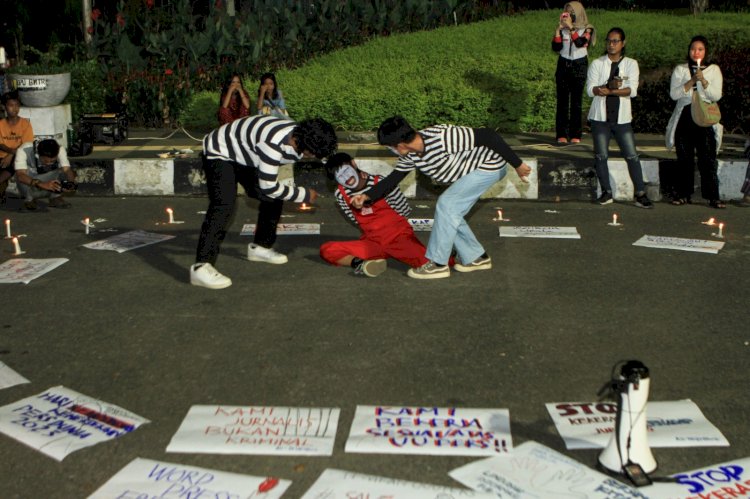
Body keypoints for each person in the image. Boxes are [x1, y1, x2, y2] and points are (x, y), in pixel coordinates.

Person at [351, 116, 531, 280]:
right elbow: (393, 180)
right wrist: (367, 196)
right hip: (471, 172)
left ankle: (438, 264)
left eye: (390, 147)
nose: (391, 151)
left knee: (447, 204)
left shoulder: (442, 137)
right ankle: (476, 257)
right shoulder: (411, 155)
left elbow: (489, 136)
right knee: (451, 211)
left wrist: (518, 164)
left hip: (489, 166)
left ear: (400, 144)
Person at [190, 115, 337, 289]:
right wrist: (303, 195)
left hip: (246, 153)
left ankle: (260, 247)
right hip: (220, 151)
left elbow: (330, 161)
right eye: (309, 153)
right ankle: (201, 267)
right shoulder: (272, 145)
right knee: (224, 205)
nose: (311, 157)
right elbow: (269, 187)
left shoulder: (305, 135)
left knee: (275, 197)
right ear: (296, 142)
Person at [320, 152, 429, 277]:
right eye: (339, 176)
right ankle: (361, 264)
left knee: (429, 262)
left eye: (346, 171)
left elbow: (403, 209)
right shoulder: (341, 194)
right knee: (328, 249)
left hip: (397, 238)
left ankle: (448, 253)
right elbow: (354, 219)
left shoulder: (381, 183)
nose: (346, 178)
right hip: (372, 242)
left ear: (353, 164)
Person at [586, 27, 652, 209]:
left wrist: (611, 91)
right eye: (609, 41)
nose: (611, 44)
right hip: (600, 118)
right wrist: (602, 89)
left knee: (631, 155)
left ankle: (640, 193)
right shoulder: (597, 63)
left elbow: (632, 90)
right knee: (601, 155)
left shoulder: (631, 64)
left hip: (622, 119)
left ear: (623, 44)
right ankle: (606, 192)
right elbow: (590, 89)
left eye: (615, 41)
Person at [666, 35, 724, 209]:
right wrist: (691, 81)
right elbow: (674, 94)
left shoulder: (713, 69)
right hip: (685, 114)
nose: (696, 52)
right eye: (693, 49)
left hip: (704, 116)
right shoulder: (681, 69)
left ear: (706, 51)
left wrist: (703, 81)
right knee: (684, 157)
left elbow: (716, 95)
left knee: (708, 157)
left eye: (700, 49)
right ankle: (683, 193)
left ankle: (713, 196)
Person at [551, 1, 595, 144]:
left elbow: (581, 43)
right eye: (567, 11)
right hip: (564, 64)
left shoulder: (588, 28)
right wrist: (558, 30)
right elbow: (556, 47)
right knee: (562, 101)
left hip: (579, 64)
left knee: (576, 101)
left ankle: (575, 134)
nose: (569, 14)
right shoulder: (562, 28)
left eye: (572, 11)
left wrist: (571, 28)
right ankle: (561, 134)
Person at [14, 139, 77, 210]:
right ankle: (29, 200)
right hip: (31, 184)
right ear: (38, 154)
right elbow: (20, 176)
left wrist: (71, 185)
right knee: (21, 174)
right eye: (45, 161)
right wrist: (41, 184)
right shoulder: (23, 150)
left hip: (49, 183)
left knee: (66, 171)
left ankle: (55, 197)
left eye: (52, 161)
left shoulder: (59, 149)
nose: (49, 163)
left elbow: (67, 169)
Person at [0, 92, 34, 203]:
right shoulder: (1, 124)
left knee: (15, 160)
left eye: (17, 105)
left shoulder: (25, 124)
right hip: (3, 156)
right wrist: (9, 153)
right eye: (11, 105)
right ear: (4, 107)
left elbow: (26, 145)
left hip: (18, 156)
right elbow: (0, 144)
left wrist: (11, 154)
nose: (14, 109)